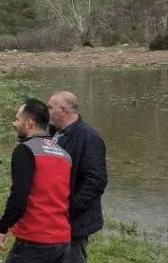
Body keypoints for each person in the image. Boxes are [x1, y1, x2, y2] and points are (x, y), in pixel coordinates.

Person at [0, 98, 73, 262]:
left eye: (17, 119)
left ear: (29, 123)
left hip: (35, 240)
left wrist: (3, 228)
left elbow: (19, 195)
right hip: (63, 239)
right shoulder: (64, 155)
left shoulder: (25, 150)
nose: (14, 123)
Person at [48, 91, 108, 263]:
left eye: (51, 107)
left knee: (73, 257)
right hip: (56, 215)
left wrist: (70, 207)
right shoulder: (56, 133)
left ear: (63, 110)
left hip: (74, 219)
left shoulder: (89, 138)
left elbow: (96, 181)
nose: (48, 111)